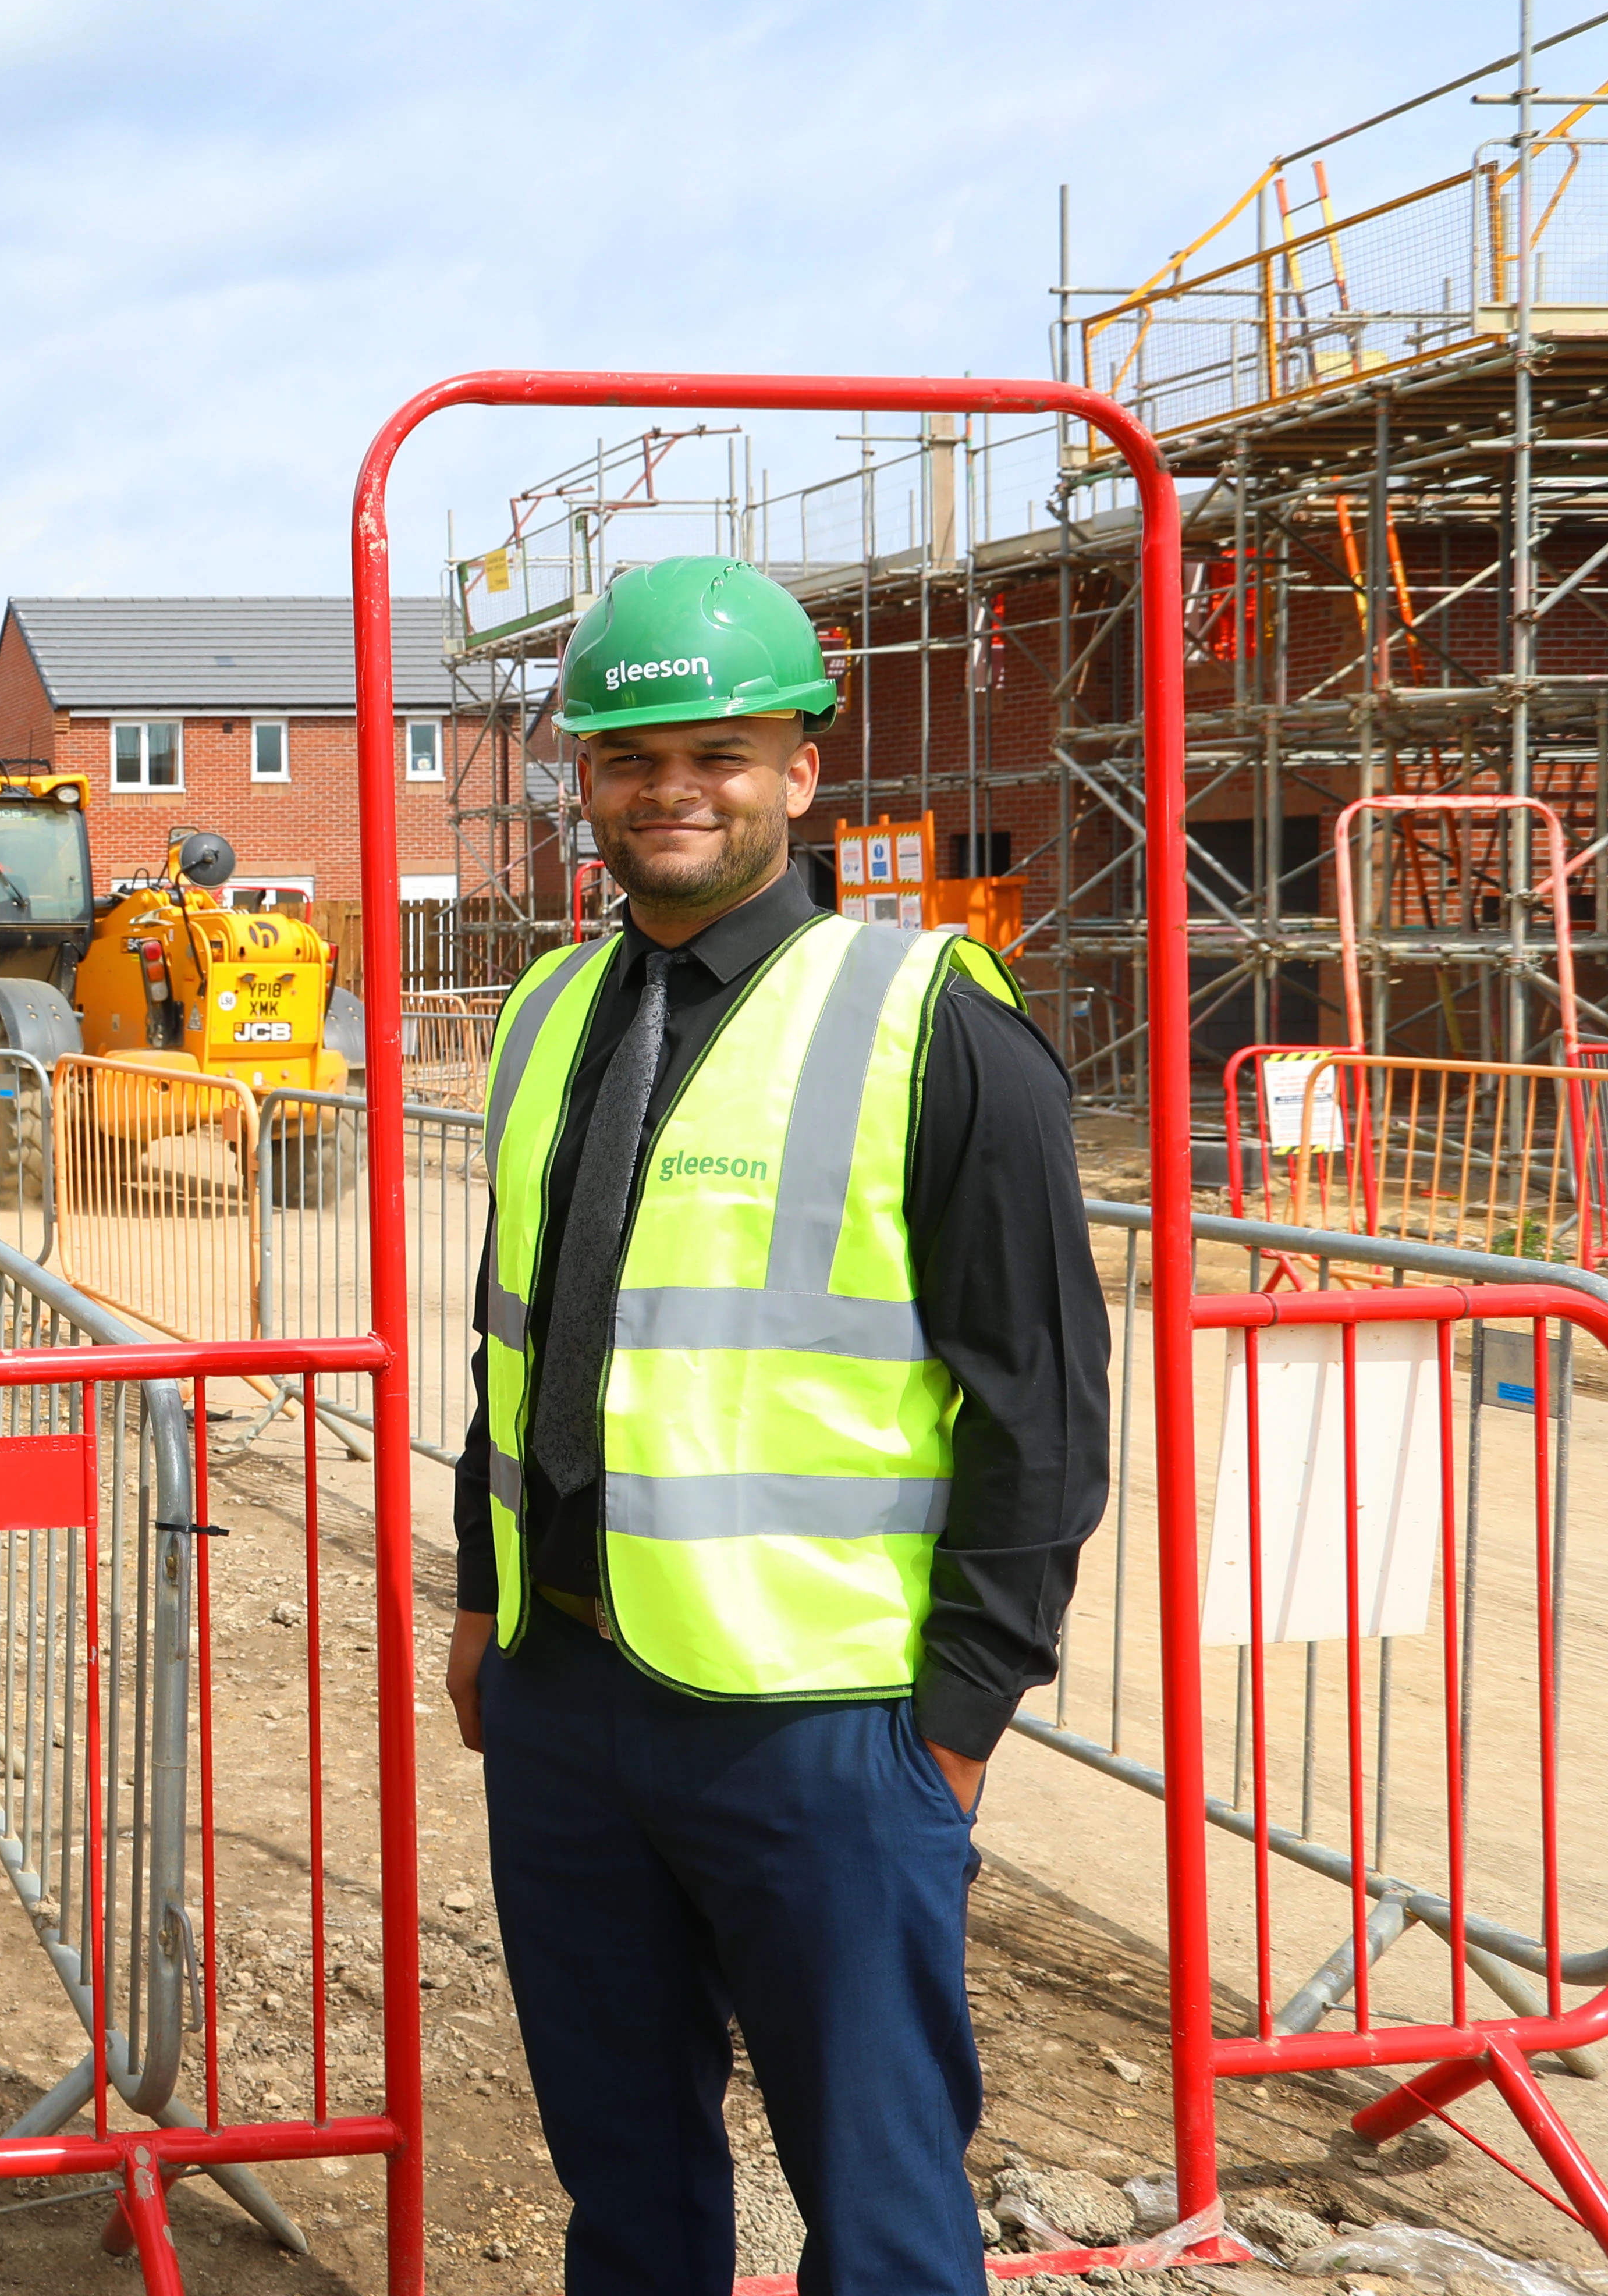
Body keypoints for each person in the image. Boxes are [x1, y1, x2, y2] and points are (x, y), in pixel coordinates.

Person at [443, 557, 1109, 2293]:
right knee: (627, 2188)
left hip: (822, 1734)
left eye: (717, 754)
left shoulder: (934, 1028)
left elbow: (1042, 1417)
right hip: (569, 1701)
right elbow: (514, 1348)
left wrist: (951, 1735)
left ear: (802, 769)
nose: (671, 792)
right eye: (629, 757)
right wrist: (478, 1601)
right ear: (580, 776)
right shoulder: (542, 1017)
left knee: (881, 2215)